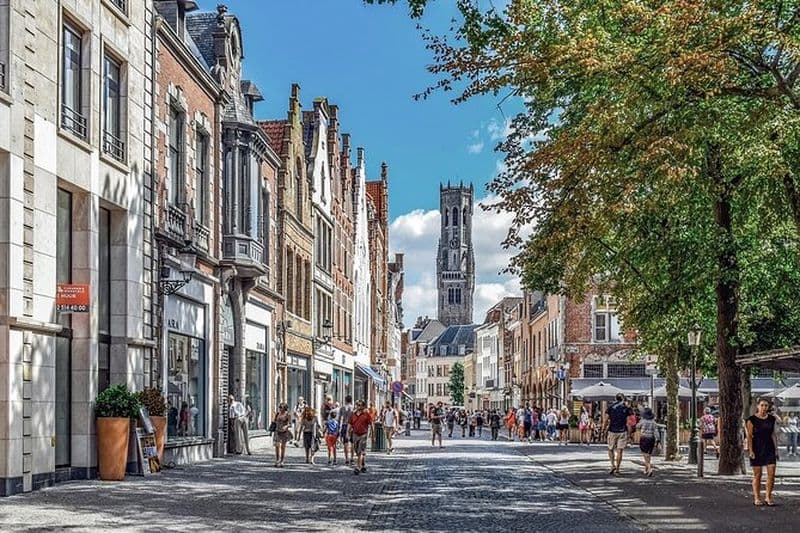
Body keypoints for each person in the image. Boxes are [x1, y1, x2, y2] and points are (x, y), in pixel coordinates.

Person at [746, 398, 779, 506]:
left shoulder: (771, 419)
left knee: (772, 473)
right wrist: (750, 450)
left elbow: (773, 434)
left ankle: (768, 497)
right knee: (758, 474)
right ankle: (757, 497)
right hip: (757, 448)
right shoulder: (751, 420)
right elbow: (749, 436)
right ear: (758, 406)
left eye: (766, 406)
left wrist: (776, 449)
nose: (764, 408)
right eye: (762, 405)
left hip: (769, 447)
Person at [604, 393, 632, 475]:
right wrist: (629, 433)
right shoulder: (626, 408)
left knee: (610, 448)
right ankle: (618, 468)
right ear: (623, 399)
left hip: (612, 430)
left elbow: (606, 420)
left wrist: (603, 429)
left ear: (615, 399)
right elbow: (629, 422)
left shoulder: (610, 407)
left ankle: (612, 465)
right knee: (620, 450)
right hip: (622, 431)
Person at [349, 400, 374, 474]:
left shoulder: (366, 414)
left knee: (360, 451)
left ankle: (358, 467)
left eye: (360, 405)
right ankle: (362, 464)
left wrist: (373, 434)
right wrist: (348, 432)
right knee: (357, 450)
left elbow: (371, 424)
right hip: (355, 434)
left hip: (363, 434)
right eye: (357, 405)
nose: (358, 406)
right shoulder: (353, 414)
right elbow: (350, 423)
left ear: (363, 406)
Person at [636, 407, 657, 477]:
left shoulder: (643, 421)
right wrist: (658, 440)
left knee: (644, 453)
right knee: (649, 454)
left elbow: (637, 426)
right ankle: (646, 469)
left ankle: (649, 468)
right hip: (651, 438)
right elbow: (656, 431)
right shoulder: (653, 422)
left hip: (644, 438)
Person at [272, 403, 292, 467]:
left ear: (285, 408)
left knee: (283, 447)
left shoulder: (287, 414)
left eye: (281, 407)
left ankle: (282, 461)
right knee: (277, 446)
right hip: (277, 431)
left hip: (284, 432)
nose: (280, 408)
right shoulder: (278, 414)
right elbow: (274, 421)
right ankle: (277, 460)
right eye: (279, 407)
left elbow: (290, 424)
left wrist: (286, 426)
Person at [338, 395, 355, 465]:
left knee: (345, 442)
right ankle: (352, 458)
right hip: (352, 426)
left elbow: (339, 418)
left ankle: (346, 458)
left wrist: (339, 426)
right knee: (352, 442)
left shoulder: (342, 408)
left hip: (345, 425)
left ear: (345, 400)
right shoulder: (353, 408)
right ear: (351, 400)